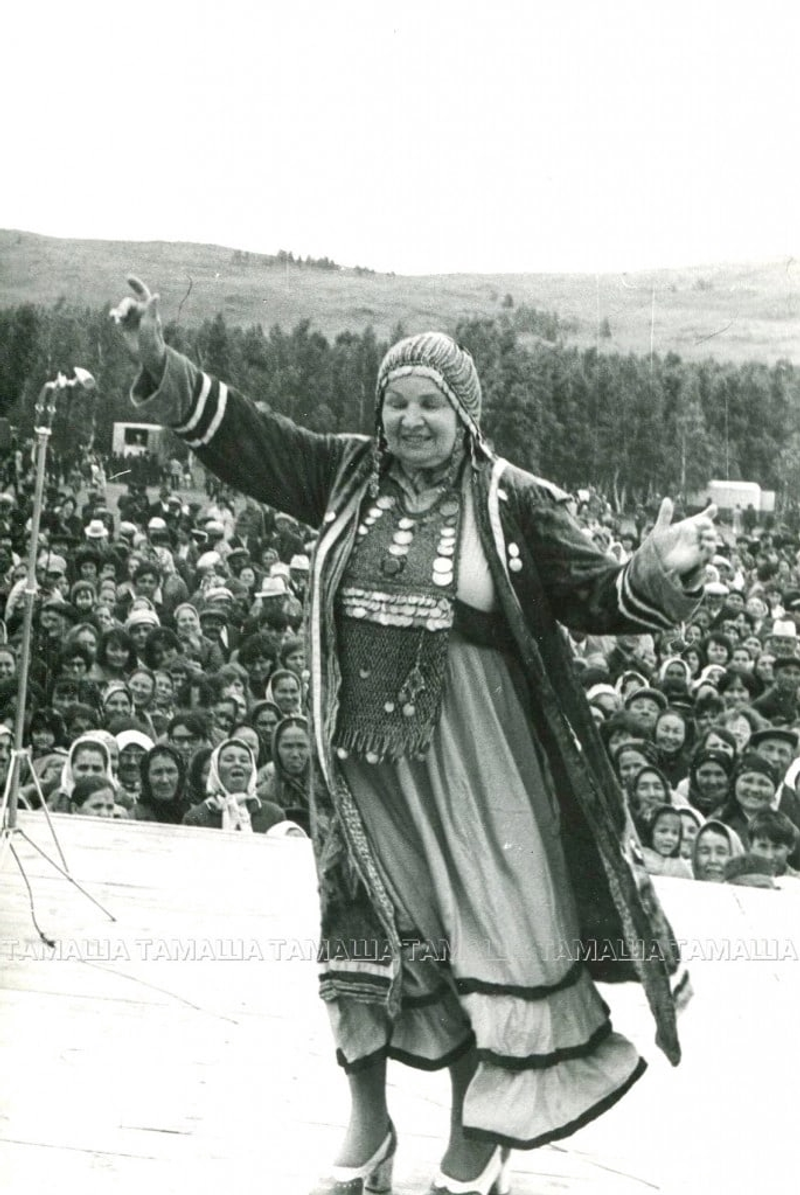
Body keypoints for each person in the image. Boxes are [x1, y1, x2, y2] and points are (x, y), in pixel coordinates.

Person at [112, 276, 717, 1193]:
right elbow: (251, 439)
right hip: (364, 770)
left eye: (430, 403)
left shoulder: (512, 500)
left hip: (484, 767)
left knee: (484, 938)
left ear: (464, 415)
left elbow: (595, 594)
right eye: (395, 401)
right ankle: (369, 1126)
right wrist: (161, 363)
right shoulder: (344, 472)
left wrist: (656, 569)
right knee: (364, 940)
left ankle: (477, 1133)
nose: (410, 419)